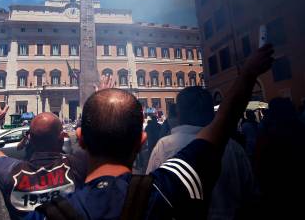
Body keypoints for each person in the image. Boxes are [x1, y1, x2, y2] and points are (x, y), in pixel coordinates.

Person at [29, 44, 274, 220]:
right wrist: (248, 74)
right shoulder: (161, 190)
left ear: (80, 139)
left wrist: (98, 101)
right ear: (141, 141)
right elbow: (222, 125)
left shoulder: (48, 215)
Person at [147, 86, 255, 220]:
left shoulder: (164, 147)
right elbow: (250, 195)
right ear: (211, 112)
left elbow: (149, 194)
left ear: (179, 112)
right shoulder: (234, 148)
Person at [0, 99, 88, 220]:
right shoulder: (79, 165)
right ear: (61, 138)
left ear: (30, 140)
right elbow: (104, 143)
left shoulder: (9, 173)